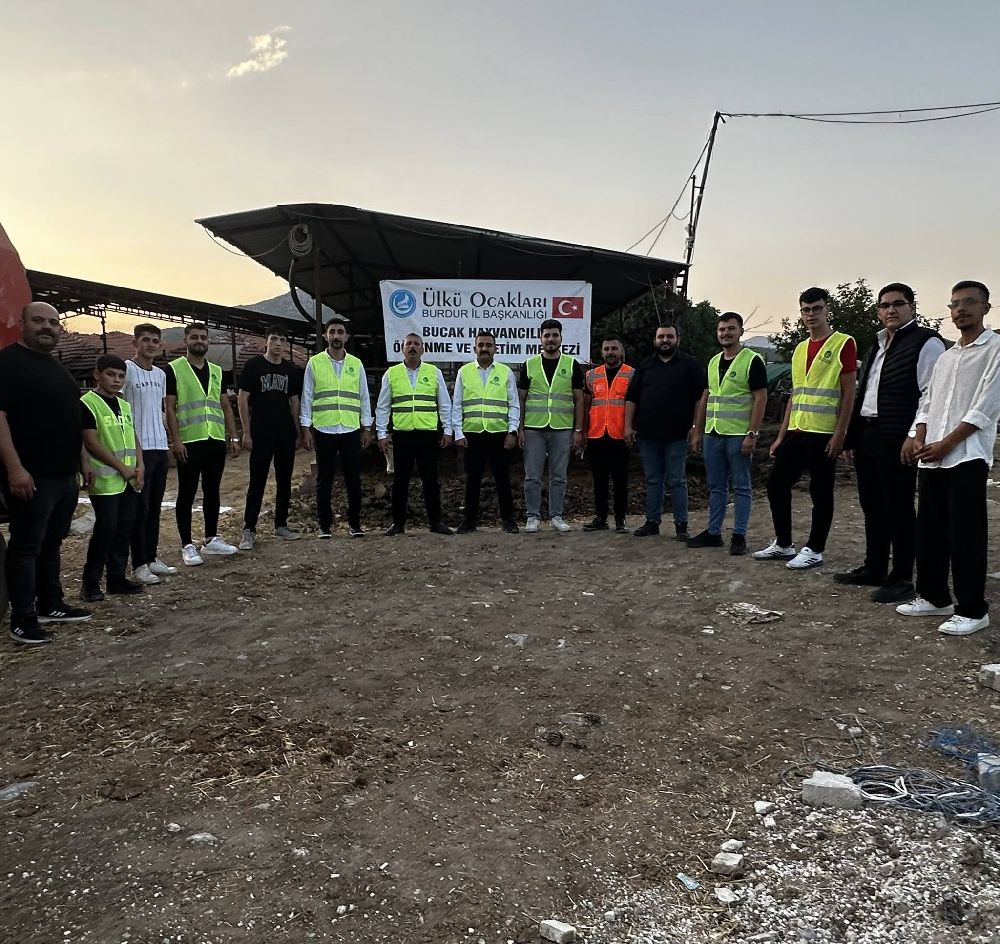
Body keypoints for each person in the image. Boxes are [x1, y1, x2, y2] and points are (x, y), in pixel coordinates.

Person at [897, 280, 1000, 636]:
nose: (961, 309)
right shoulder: (946, 356)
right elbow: (927, 403)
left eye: (970, 302)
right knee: (930, 528)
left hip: (966, 455)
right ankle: (933, 595)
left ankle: (972, 609)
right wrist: (917, 436)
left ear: (986, 307)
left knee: (966, 534)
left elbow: (984, 408)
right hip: (932, 455)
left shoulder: (995, 350)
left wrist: (947, 444)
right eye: (955, 303)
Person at [837, 284, 945, 602]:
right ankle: (875, 568)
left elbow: (930, 394)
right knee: (872, 505)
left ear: (912, 306)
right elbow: (865, 393)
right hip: (869, 433)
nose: (891, 310)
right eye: (884, 305)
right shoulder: (878, 343)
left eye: (898, 304)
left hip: (898, 437)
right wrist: (852, 436)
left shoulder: (926, 342)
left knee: (897, 507)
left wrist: (915, 436)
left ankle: (901, 577)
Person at [0, 302, 92, 644]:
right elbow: (0, 419)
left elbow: (71, 418)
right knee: (26, 547)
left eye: (53, 323)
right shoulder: (8, 363)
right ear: (22, 323)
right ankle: (22, 619)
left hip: (64, 474)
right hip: (32, 475)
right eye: (38, 321)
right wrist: (15, 469)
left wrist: (82, 460)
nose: (47, 327)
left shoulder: (56, 366)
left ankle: (50, 604)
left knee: (52, 542)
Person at [754, 288, 857, 570]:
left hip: (824, 433)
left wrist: (841, 434)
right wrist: (780, 435)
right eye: (806, 310)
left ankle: (815, 549)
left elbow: (849, 393)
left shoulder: (842, 343)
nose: (811, 315)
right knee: (776, 484)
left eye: (816, 308)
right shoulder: (800, 349)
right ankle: (784, 543)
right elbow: (795, 395)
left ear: (827, 310)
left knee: (820, 491)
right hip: (797, 430)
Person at [688, 312, 767, 555]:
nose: (726, 333)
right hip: (713, 433)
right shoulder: (712, 362)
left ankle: (739, 535)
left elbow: (760, 397)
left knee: (741, 486)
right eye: (722, 329)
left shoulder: (752, 360)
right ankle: (714, 532)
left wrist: (752, 434)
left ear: (741, 331)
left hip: (738, 435)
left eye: (731, 329)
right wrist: (697, 429)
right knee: (716, 486)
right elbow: (706, 396)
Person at [164, 323, 240, 565]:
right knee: (186, 492)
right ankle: (187, 544)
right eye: (194, 337)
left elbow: (226, 405)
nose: (199, 341)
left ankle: (211, 539)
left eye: (203, 337)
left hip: (214, 439)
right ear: (186, 341)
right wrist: (176, 441)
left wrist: (233, 436)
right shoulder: (173, 370)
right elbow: (169, 408)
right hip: (189, 440)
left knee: (212, 490)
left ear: (208, 341)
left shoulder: (217, 370)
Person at [625, 321, 707, 539]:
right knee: (653, 480)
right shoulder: (645, 365)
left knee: (677, 480)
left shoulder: (690, 365)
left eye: (669, 336)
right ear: (655, 340)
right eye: (661, 337)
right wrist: (627, 427)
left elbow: (701, 398)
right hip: (648, 434)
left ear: (677, 339)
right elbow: (631, 398)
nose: (665, 340)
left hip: (678, 435)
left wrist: (696, 428)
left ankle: (681, 525)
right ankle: (652, 522)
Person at [80, 355, 146, 602]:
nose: (116, 380)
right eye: (110, 374)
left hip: (129, 479)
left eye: (120, 376)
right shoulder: (88, 403)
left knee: (124, 528)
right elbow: (91, 441)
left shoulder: (124, 404)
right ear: (97, 374)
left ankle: (116, 578)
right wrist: (122, 468)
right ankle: (90, 583)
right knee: (106, 530)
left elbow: (133, 437)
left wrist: (140, 466)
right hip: (107, 480)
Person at [300, 317, 373, 538]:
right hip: (324, 429)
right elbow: (307, 396)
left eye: (340, 332)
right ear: (325, 336)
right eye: (332, 332)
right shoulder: (315, 363)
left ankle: (355, 525)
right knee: (325, 479)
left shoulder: (356, 364)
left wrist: (366, 427)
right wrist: (305, 427)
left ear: (347, 337)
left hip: (350, 428)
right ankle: (324, 526)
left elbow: (363, 396)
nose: (336, 336)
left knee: (354, 479)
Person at [376, 333, 454, 535]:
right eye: (408, 344)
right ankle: (398, 523)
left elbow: (444, 404)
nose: (412, 347)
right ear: (402, 349)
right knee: (400, 481)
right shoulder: (391, 374)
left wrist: (447, 430)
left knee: (431, 480)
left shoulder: (434, 372)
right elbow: (383, 406)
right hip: (402, 436)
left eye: (416, 344)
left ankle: (435, 523)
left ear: (422, 349)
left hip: (427, 435)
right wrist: (382, 434)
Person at [238, 324, 303, 549]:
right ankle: (249, 529)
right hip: (260, 432)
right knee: (258, 480)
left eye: (282, 339)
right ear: (266, 341)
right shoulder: (253, 366)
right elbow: (242, 398)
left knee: (285, 480)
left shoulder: (291, 370)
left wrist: (298, 431)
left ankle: (281, 525)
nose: (278, 343)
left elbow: (295, 401)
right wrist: (245, 431)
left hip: (284, 432)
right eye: (274, 338)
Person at [517, 319, 585, 533]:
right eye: (546, 336)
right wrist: (519, 428)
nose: (551, 339)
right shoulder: (529, 365)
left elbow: (579, 400)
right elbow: (521, 399)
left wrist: (578, 430)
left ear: (561, 338)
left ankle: (556, 516)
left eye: (555, 335)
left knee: (559, 476)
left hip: (562, 428)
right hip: (534, 428)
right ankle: (533, 517)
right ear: (540, 339)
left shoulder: (571, 364)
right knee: (532, 476)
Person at [122, 323, 177, 585]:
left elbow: (161, 410)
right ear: (135, 343)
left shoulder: (160, 374)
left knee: (154, 508)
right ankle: (139, 564)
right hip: (137, 449)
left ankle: (152, 557)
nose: (151, 344)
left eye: (155, 340)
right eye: (146, 340)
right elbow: (120, 410)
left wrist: (169, 440)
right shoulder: (127, 370)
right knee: (139, 509)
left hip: (159, 447)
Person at [453, 330, 520, 533]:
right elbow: (457, 404)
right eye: (481, 345)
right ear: (474, 348)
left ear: (495, 349)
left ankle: (508, 520)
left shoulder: (505, 372)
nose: (484, 348)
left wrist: (513, 431)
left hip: (498, 434)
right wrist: (458, 432)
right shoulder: (464, 372)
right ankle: (469, 521)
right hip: (473, 434)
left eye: (488, 345)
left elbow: (513, 404)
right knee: (472, 480)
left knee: (502, 479)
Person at [582, 335, 634, 533]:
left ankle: (620, 519)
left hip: (620, 435)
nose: (610, 353)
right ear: (601, 352)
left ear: (621, 351)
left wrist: (632, 429)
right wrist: (583, 430)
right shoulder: (591, 376)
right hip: (596, 434)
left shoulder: (631, 375)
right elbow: (586, 404)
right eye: (606, 349)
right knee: (599, 479)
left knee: (621, 480)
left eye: (614, 349)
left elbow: (634, 405)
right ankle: (600, 517)